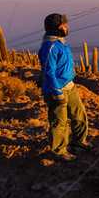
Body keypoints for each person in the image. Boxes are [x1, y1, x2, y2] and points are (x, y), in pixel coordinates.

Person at [38, 13, 89, 160]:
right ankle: (58, 152)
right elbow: (48, 71)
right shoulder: (50, 46)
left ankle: (79, 140)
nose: (67, 27)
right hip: (57, 90)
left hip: (69, 86)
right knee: (59, 121)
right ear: (56, 28)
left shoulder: (61, 43)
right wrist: (57, 92)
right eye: (64, 25)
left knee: (79, 114)